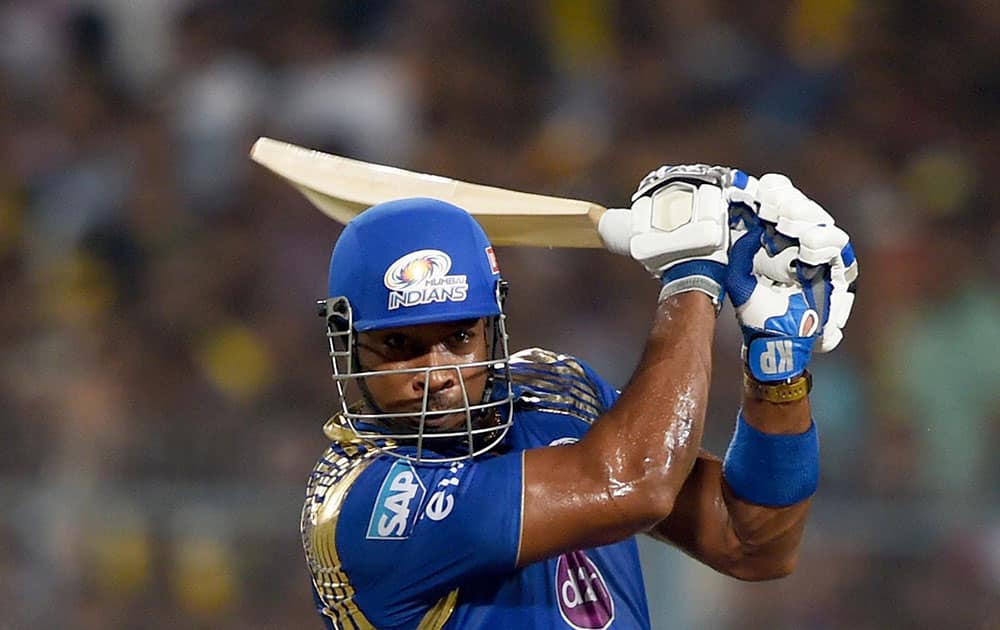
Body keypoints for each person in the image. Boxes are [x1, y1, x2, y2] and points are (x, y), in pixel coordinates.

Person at [300, 165, 858, 629]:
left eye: (459, 337)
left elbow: (754, 542)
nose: (436, 373)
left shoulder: (555, 390)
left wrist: (774, 368)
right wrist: (694, 275)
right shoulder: (362, 505)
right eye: (399, 345)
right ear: (347, 345)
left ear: (493, 326)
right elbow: (634, 483)